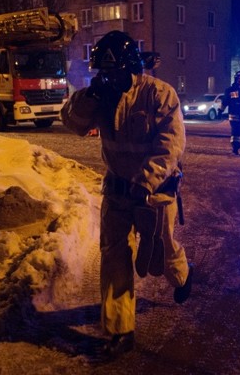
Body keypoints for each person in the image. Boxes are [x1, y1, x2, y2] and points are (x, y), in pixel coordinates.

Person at [60, 31, 194, 360]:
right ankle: (120, 331)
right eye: (103, 72)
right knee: (114, 257)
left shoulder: (159, 94)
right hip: (117, 192)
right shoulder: (101, 94)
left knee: (161, 252)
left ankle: (182, 276)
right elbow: (72, 122)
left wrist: (146, 181)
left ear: (131, 68)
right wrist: (90, 96)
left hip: (154, 193)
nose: (109, 78)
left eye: (115, 72)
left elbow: (170, 146)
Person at [222, 70, 240, 154]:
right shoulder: (229, 90)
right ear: (236, 79)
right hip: (234, 115)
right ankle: (235, 147)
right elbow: (225, 101)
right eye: (238, 78)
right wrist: (220, 110)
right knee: (235, 131)